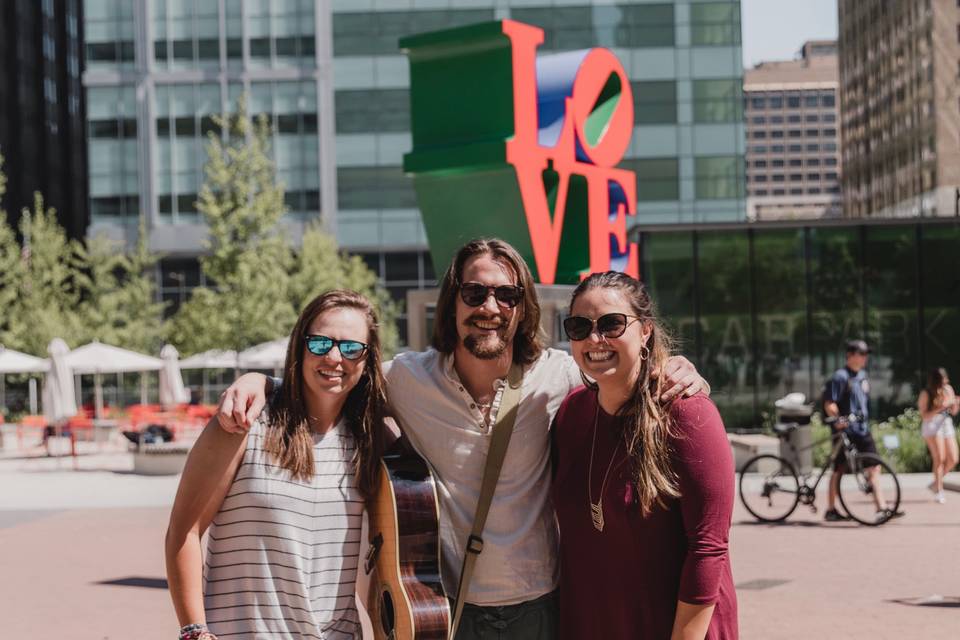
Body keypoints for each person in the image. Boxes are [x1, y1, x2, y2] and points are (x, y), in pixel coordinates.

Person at [217, 237, 709, 640]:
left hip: (540, 608)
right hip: (446, 609)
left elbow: (623, 377)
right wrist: (264, 382)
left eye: (506, 295)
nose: (489, 307)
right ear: (451, 302)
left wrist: (677, 370)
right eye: (474, 294)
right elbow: (336, 375)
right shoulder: (407, 379)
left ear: (523, 307)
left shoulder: (560, 375)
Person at [165, 290, 390, 639]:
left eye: (350, 348)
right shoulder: (244, 421)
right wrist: (195, 631)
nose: (334, 358)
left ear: (367, 359)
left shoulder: (370, 437)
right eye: (319, 344)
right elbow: (184, 532)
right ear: (299, 347)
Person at [552, 271, 736, 639]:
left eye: (611, 324)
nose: (594, 339)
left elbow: (708, 548)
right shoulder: (571, 413)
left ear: (646, 330)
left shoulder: (685, 412)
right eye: (579, 326)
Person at [821, 339, 898, 523]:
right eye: (862, 354)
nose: (865, 358)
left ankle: (881, 507)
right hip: (845, 432)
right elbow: (829, 403)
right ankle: (831, 509)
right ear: (850, 355)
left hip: (862, 430)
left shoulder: (862, 375)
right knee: (838, 470)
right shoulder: (840, 376)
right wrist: (839, 418)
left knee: (875, 467)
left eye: (866, 354)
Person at [918, 367, 959, 504]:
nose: (945, 382)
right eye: (942, 380)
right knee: (939, 458)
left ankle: (936, 482)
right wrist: (942, 406)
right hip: (931, 425)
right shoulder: (926, 393)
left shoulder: (948, 389)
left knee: (953, 458)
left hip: (945, 423)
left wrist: (955, 404)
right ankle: (939, 490)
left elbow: (953, 412)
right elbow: (924, 415)